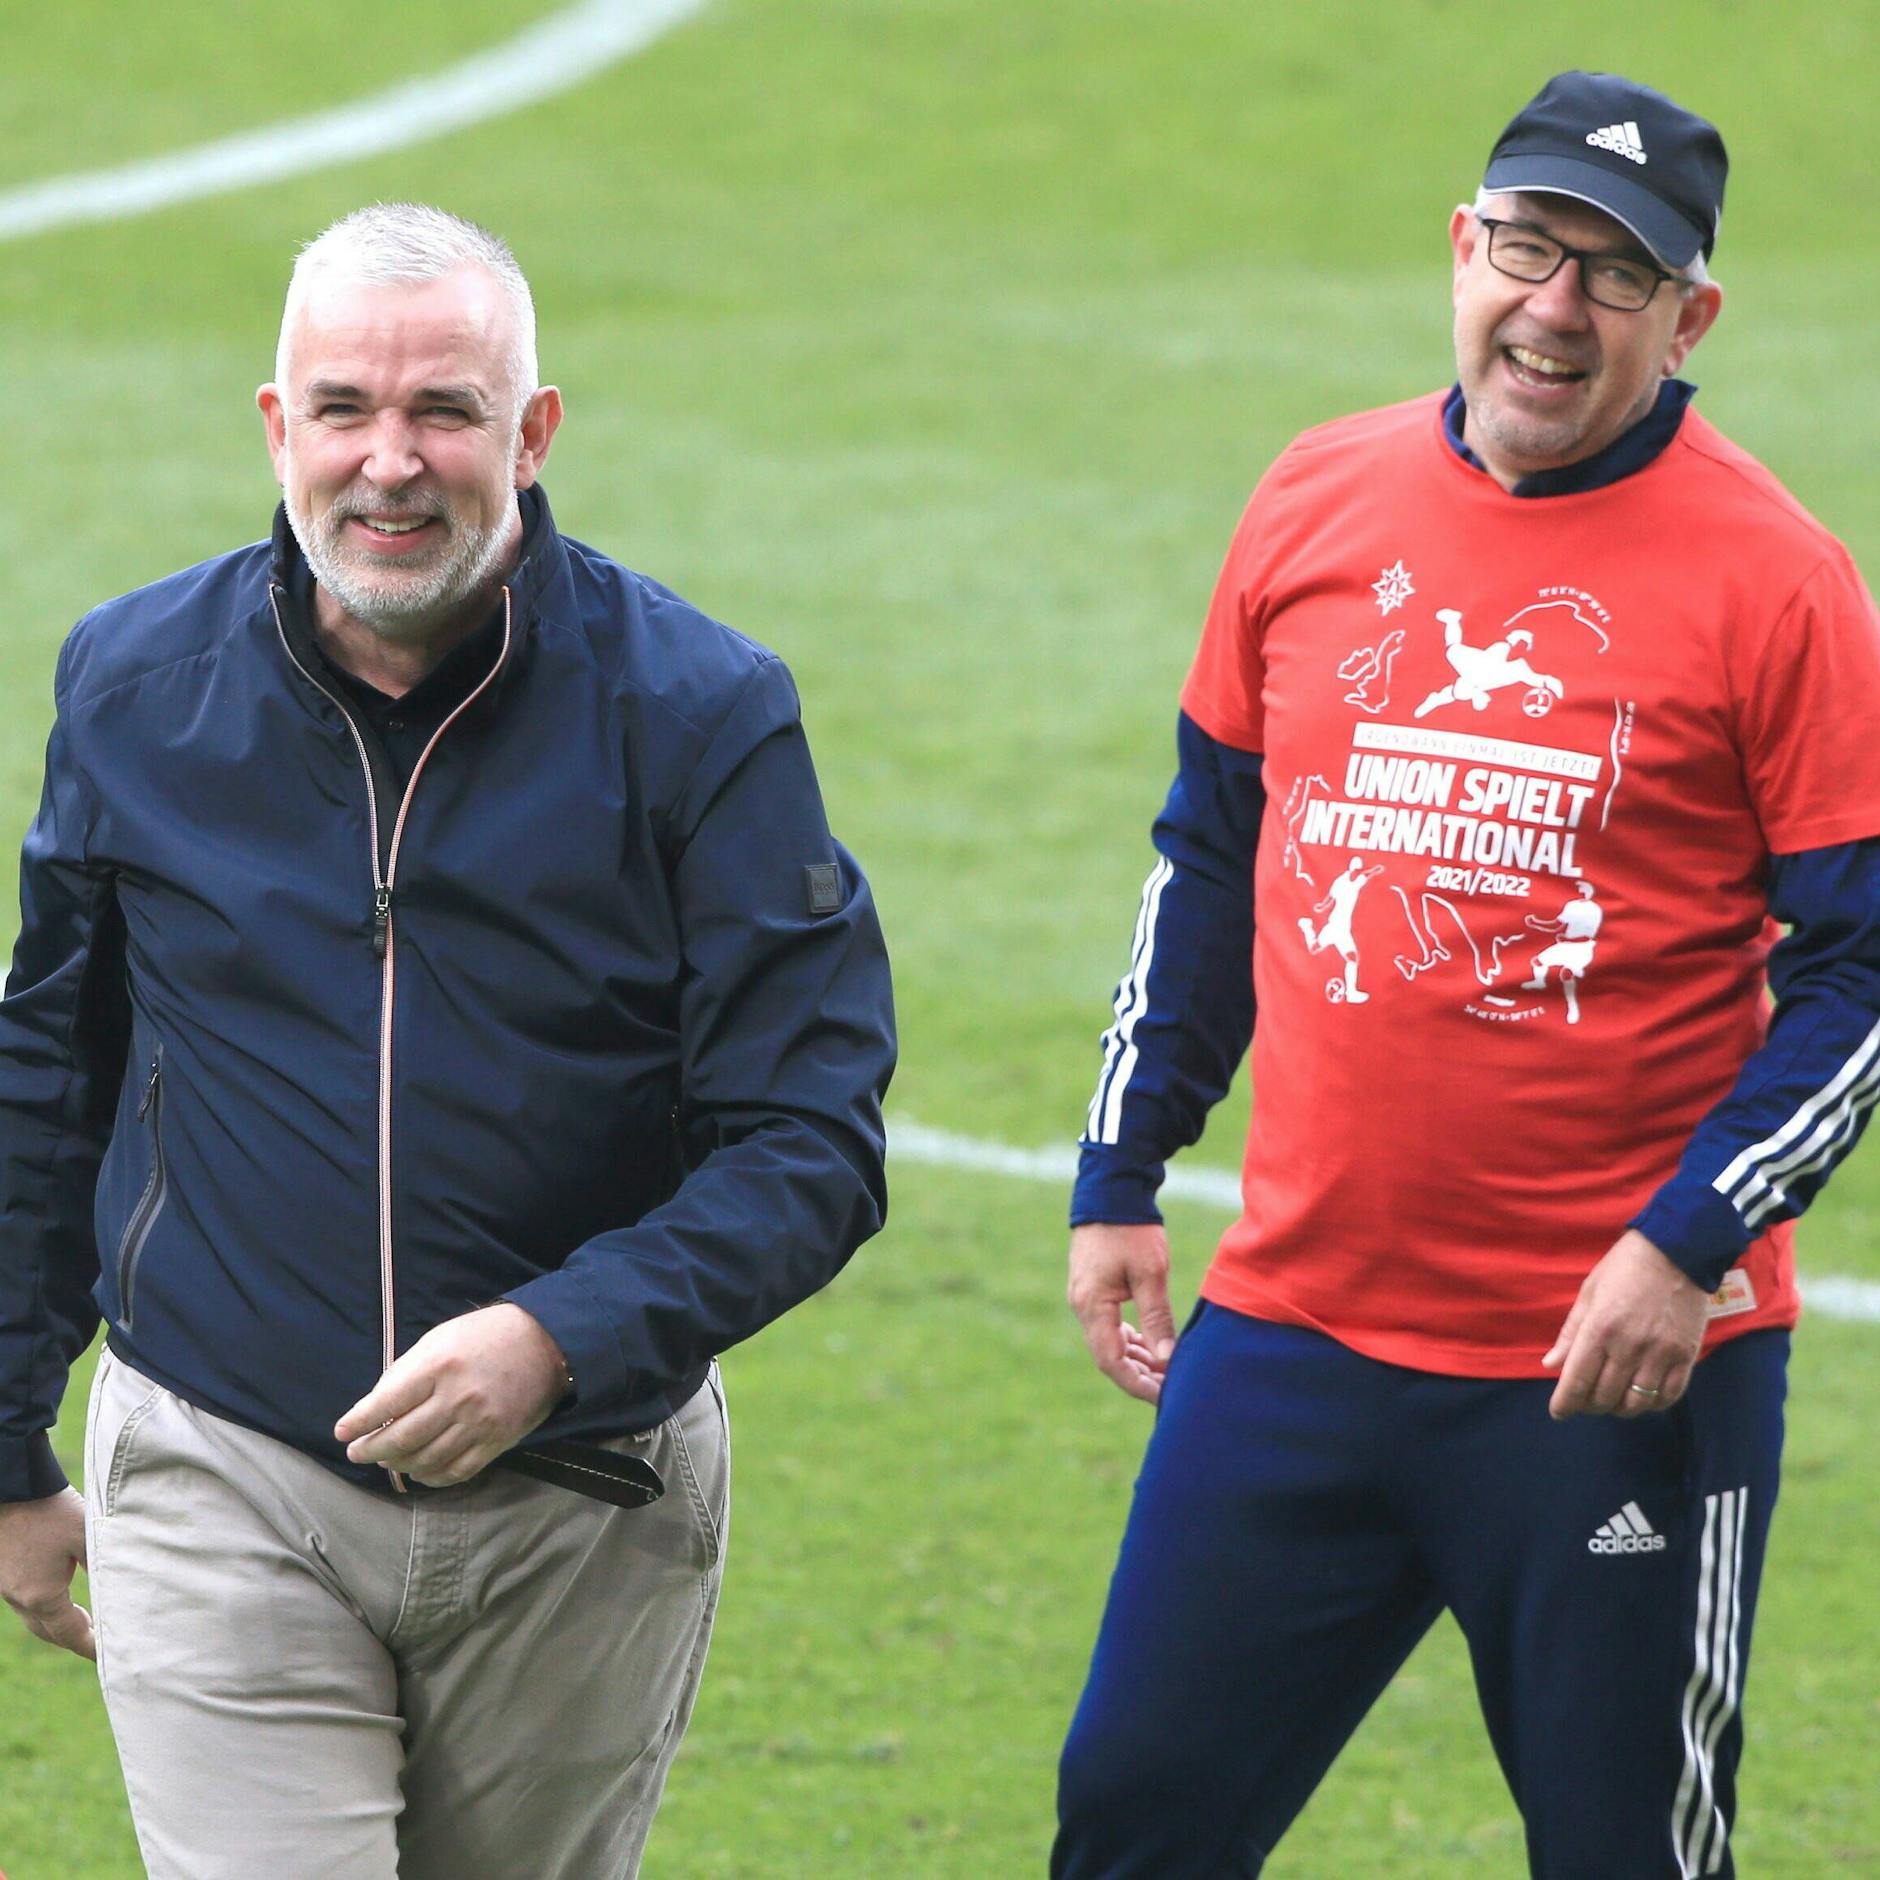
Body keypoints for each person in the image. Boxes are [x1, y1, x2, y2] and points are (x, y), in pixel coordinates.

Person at [0, 203, 895, 1879]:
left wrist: (558, 1337)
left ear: (534, 433)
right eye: (343, 410)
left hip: (581, 1505)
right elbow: (52, 1070)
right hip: (222, 1466)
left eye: (445, 412)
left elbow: (812, 1138)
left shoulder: (699, 713)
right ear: (278, 426)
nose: (389, 465)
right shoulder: (131, 688)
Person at [1056, 71, 1880, 1878]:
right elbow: (1210, 854)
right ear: (1461, 246)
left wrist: (1691, 1242)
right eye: (1527, 246)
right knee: (1130, 1827)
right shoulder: (1313, 496)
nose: (1556, 308)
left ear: (1692, 317)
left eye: (1616, 272)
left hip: (1619, 1378)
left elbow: (1861, 972)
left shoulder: (1782, 585)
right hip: (1293, 1337)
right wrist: (1125, 1166)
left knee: (1627, 1859)